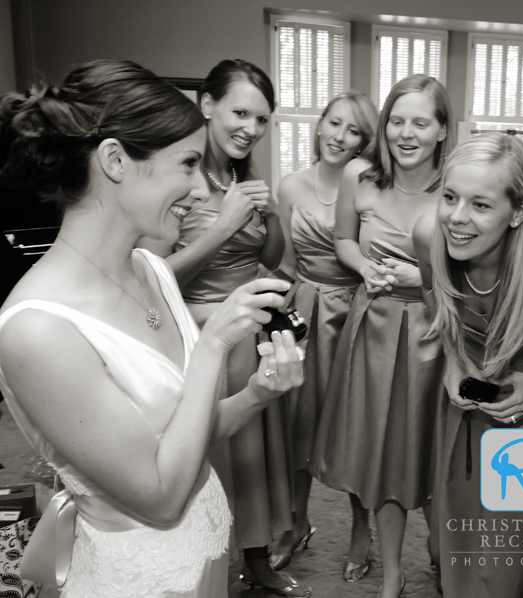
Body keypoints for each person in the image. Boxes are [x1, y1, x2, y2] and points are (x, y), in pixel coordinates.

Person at [0, 59, 304, 597]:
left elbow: (183, 436)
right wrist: (213, 345)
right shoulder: (37, 329)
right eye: (186, 164)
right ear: (115, 160)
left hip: (202, 559)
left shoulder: (153, 270)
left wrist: (257, 393)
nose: (195, 186)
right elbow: (160, 496)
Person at [140, 59, 304, 596]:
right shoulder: (179, 180)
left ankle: (256, 560)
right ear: (206, 106)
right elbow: (154, 278)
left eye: (262, 119)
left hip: (247, 333)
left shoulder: (244, 176)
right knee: (208, 451)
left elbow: (272, 256)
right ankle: (207, 560)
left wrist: (272, 216)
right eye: (240, 112)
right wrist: (226, 224)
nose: (250, 128)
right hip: (196, 336)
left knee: (254, 451)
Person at [310, 74, 454, 598]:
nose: (405, 133)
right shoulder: (359, 175)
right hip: (372, 328)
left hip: (436, 331)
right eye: (396, 120)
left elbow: (483, 263)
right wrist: (363, 267)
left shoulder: (458, 184)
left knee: (436, 453)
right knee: (385, 457)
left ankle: (443, 554)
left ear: (442, 130)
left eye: (421, 122)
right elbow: (344, 239)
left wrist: (428, 276)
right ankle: (392, 573)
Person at [416, 132, 523, 597]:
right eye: (449, 197)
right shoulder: (428, 236)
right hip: (464, 413)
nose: (457, 218)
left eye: (481, 205)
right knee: (460, 542)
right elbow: (436, 303)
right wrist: (451, 360)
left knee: (512, 557)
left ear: (519, 212)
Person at [268, 91, 378, 580]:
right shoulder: (290, 186)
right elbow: (288, 264)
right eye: (333, 123)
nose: (339, 136)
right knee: (296, 421)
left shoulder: (371, 188)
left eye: (353, 130)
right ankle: (296, 522)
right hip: (304, 311)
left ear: (365, 141)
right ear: (319, 126)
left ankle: (361, 529)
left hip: (356, 312)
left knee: (355, 426)